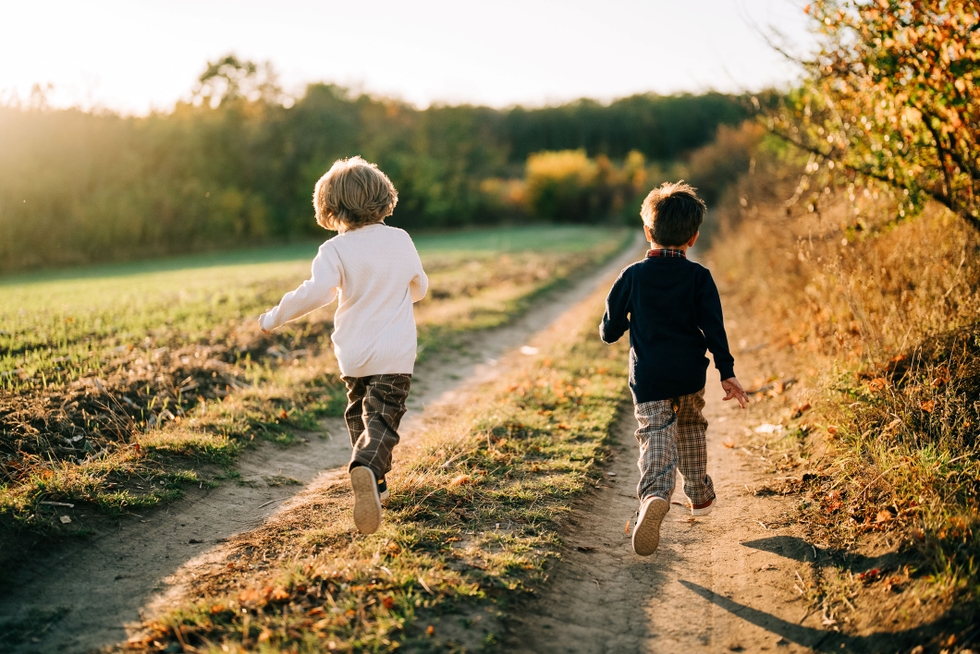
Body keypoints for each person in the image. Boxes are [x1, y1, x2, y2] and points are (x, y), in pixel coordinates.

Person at [259, 156, 428, 536]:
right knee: (382, 418)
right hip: (394, 354)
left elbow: (314, 294)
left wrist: (273, 317)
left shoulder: (334, 251)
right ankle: (368, 469)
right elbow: (420, 287)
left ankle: (375, 486)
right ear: (384, 198)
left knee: (359, 416)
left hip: (352, 354)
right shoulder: (400, 239)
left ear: (330, 207)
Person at [600, 181, 748, 556]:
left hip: (649, 376)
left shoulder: (632, 276)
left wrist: (610, 326)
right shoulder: (699, 278)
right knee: (691, 426)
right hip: (689, 375)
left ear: (648, 232)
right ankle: (698, 491)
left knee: (655, 433)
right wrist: (726, 372)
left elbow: (611, 330)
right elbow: (714, 329)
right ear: (694, 237)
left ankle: (653, 496)